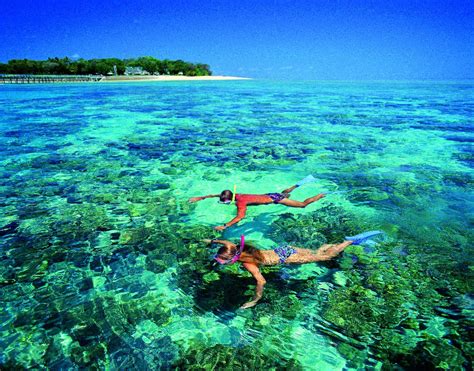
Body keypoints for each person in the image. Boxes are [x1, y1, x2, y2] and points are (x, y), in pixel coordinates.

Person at [203, 231, 382, 308]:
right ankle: (329, 245)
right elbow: (223, 242)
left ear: (233, 258)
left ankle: (350, 241)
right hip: (284, 249)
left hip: (286, 257)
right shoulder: (235, 246)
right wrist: (211, 241)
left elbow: (261, 281)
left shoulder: (247, 264)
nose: (223, 264)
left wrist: (255, 299)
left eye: (224, 262)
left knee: (325, 257)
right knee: (314, 253)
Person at [189, 182, 325, 231]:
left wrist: (225, 226)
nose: (223, 203)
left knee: (302, 205)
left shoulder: (241, 202)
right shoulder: (235, 194)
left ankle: (320, 195)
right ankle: (297, 185)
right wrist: (200, 198)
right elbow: (216, 194)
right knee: (284, 194)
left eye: (224, 202)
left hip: (274, 199)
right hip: (269, 194)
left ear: (229, 199)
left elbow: (240, 217)